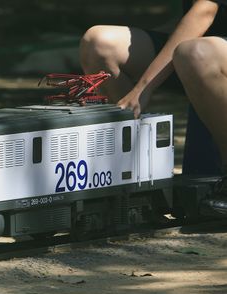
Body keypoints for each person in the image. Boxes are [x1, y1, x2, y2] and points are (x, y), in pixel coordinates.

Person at [79, 0, 227, 216]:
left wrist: (143, 88)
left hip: (205, 54)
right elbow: (195, 21)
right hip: (208, 49)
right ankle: (138, 176)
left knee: (195, 52)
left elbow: (204, 12)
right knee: (99, 43)